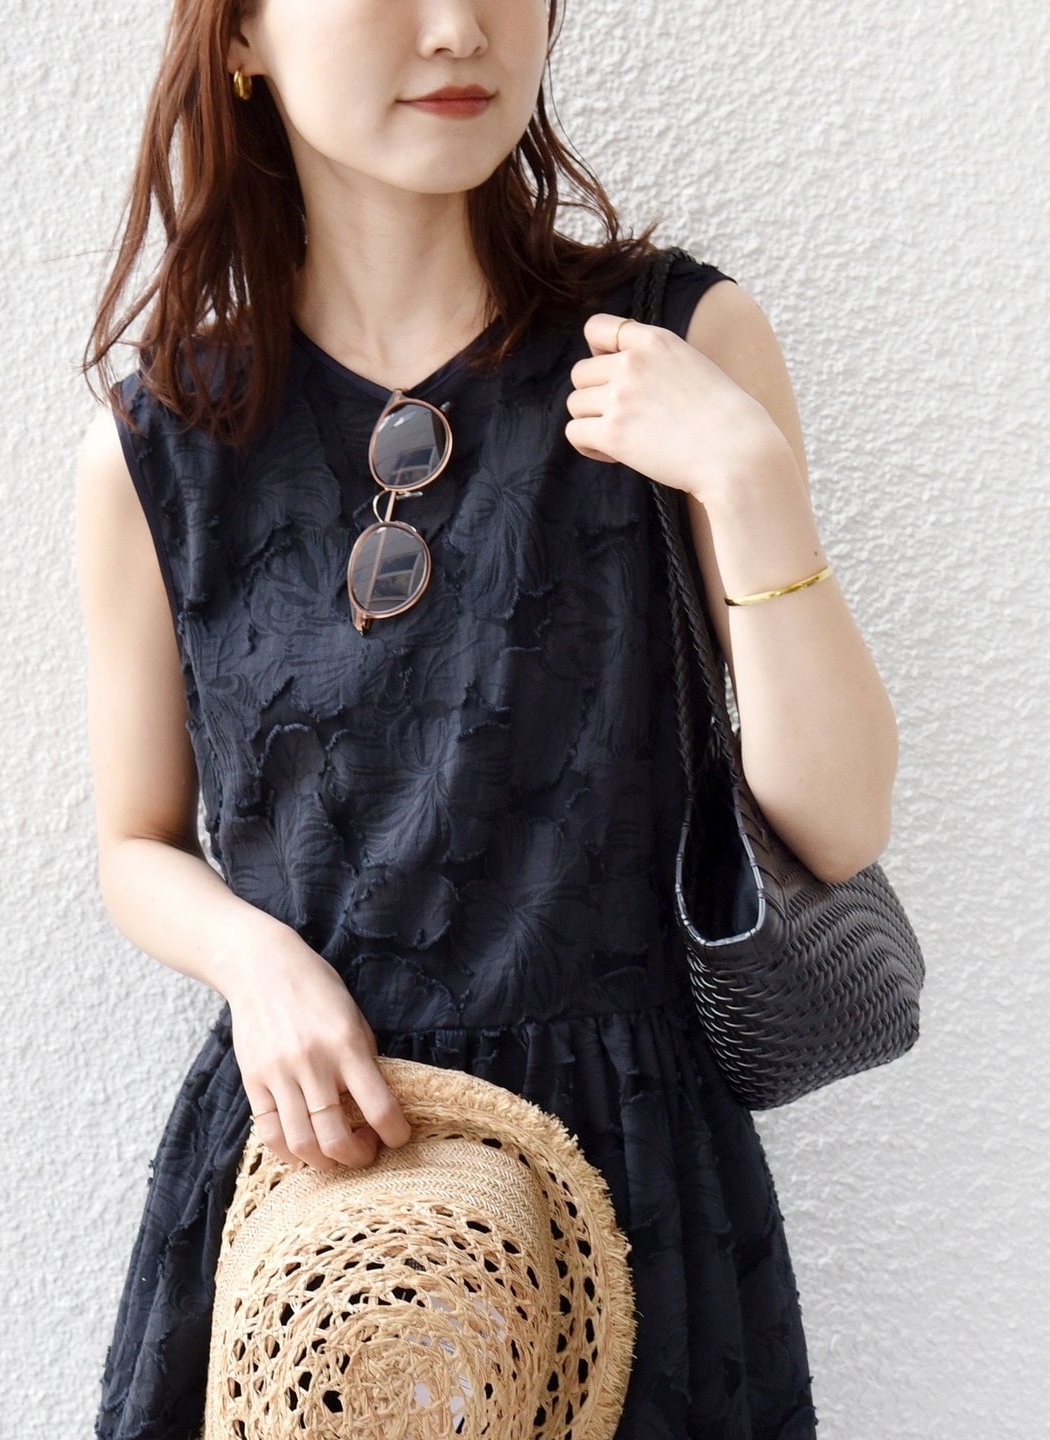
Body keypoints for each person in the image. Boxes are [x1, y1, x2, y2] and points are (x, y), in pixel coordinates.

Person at [75, 0, 898, 1436]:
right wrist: (255, 963)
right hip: (312, 1196)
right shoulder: (161, 445)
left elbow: (837, 824)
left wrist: (749, 482)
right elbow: (135, 842)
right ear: (243, 37)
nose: (460, 29)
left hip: (630, 1185)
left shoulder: (672, 346)